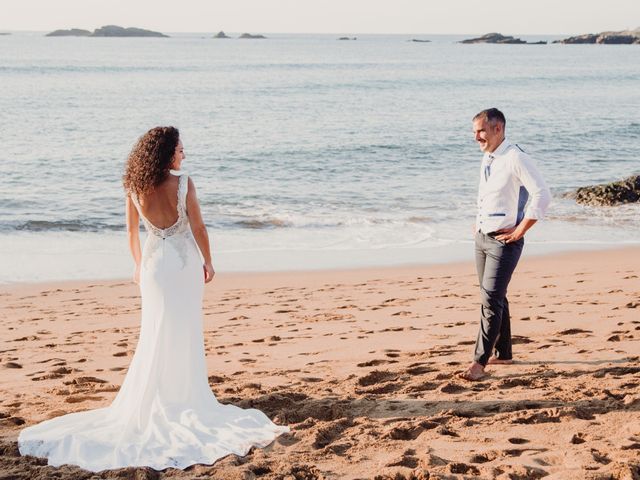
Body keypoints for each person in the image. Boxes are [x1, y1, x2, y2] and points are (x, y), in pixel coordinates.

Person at [18, 126, 288, 471]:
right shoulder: (184, 182)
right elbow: (199, 228)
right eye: (179, 149)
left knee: (155, 330)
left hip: (153, 266)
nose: (183, 154)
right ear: (166, 153)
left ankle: (161, 394)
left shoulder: (133, 186)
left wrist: (137, 266)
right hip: (183, 264)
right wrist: (209, 261)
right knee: (184, 329)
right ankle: (182, 395)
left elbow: (131, 231)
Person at [460, 109, 551, 381]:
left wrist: (521, 229)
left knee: (491, 299)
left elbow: (542, 195)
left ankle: (479, 363)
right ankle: (505, 353)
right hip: (483, 238)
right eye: (475, 131)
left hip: (505, 242)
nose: (476, 137)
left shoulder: (515, 157)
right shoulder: (489, 156)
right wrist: (478, 222)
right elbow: (488, 194)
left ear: (498, 128)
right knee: (495, 296)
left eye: (481, 131)